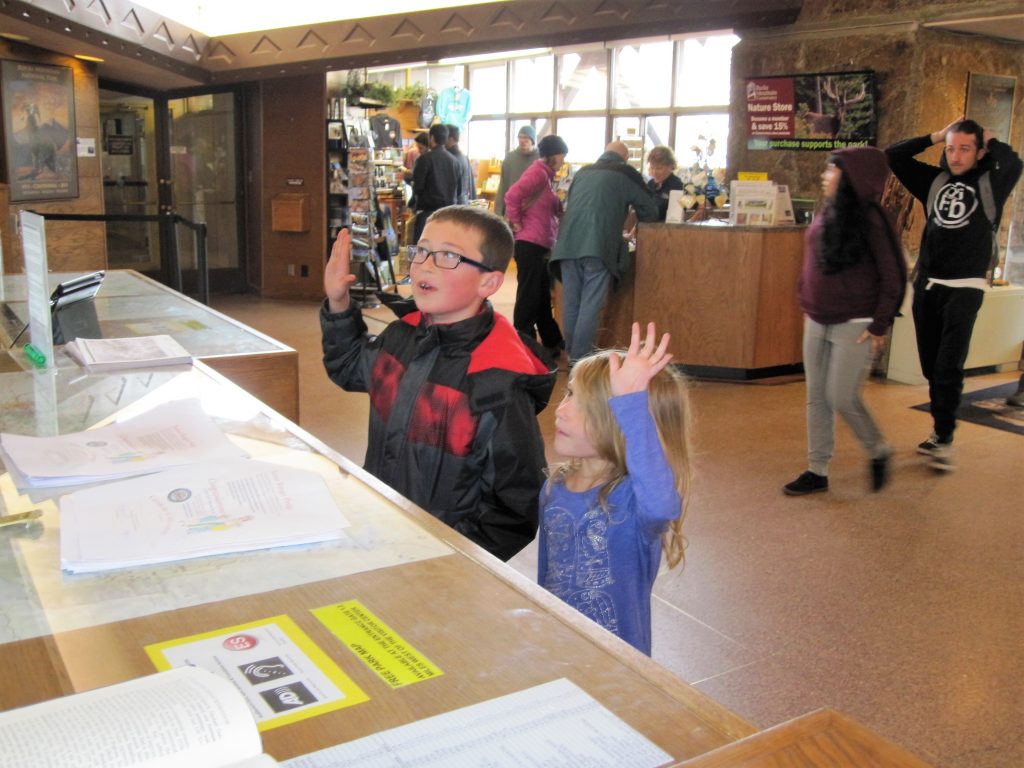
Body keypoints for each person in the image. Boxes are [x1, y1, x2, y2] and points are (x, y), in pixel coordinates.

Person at [321, 205, 556, 561]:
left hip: (439, 559)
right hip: (379, 529)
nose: (425, 265)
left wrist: (447, 556)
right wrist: (339, 304)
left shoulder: (496, 381)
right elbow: (348, 366)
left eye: (448, 255)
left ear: (489, 282)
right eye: (422, 250)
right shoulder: (403, 335)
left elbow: (514, 506)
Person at [537, 321, 690, 655]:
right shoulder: (555, 488)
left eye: (582, 404)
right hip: (557, 649)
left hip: (618, 663)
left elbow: (664, 505)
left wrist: (632, 403)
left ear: (623, 422)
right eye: (568, 394)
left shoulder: (632, 499)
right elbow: (546, 577)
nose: (560, 410)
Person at [886, 117, 1022, 471]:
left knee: (948, 365)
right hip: (928, 284)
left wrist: (990, 139)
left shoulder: (993, 181)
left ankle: (943, 436)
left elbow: (1014, 162)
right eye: (951, 149)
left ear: (978, 152)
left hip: (966, 287)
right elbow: (894, 156)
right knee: (933, 366)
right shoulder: (934, 181)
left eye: (965, 148)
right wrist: (934, 134)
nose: (957, 156)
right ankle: (940, 427)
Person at [783, 147, 906, 497]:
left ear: (850, 176)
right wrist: (804, 295)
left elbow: (893, 275)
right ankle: (817, 470)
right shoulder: (829, 212)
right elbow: (813, 261)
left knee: (840, 395)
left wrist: (880, 323)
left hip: (856, 322)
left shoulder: (873, 219)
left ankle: (878, 448)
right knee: (816, 396)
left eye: (831, 170)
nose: (824, 176)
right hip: (817, 317)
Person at [550, 141, 659, 364]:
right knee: (591, 303)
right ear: (625, 158)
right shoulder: (625, 173)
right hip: (598, 246)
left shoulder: (583, 172)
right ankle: (580, 360)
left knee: (572, 301)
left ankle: (572, 352)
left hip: (567, 245)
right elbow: (650, 210)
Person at [504, 134, 568, 359]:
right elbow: (511, 196)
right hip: (530, 243)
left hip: (539, 243)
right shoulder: (538, 173)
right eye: (562, 155)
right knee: (529, 296)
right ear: (553, 154)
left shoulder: (547, 176)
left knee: (540, 295)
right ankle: (523, 343)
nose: (563, 160)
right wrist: (517, 222)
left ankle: (550, 340)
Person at [411, 124, 461, 245]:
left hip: (427, 214)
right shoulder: (454, 161)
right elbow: (458, 190)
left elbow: (418, 187)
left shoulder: (424, 159)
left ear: (431, 138)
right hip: (449, 214)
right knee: (443, 249)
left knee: (420, 250)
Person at [495, 126, 539, 217]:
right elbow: (503, 185)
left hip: (533, 211)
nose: (522, 140)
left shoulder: (540, 159)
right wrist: (499, 211)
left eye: (526, 138)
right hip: (512, 210)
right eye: (520, 137)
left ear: (532, 140)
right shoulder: (510, 158)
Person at [646, 145, 685, 222]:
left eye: (659, 168)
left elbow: (675, 216)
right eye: (652, 168)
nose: (654, 172)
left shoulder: (676, 185)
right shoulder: (650, 184)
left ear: (671, 167)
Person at [444, 124, 476, 205]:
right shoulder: (463, 157)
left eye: (444, 138)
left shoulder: (450, 159)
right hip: (463, 203)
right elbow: (471, 185)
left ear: (451, 139)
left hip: (453, 206)